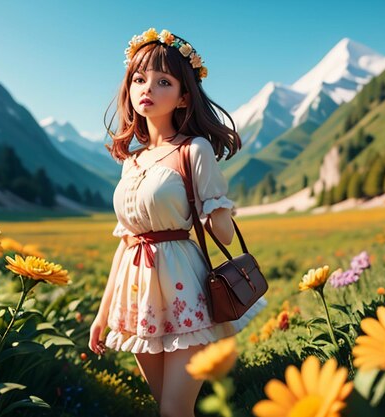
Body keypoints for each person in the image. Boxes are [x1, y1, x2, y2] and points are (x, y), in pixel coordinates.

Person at [89, 28, 267, 417]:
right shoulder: (130, 161)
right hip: (136, 297)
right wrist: (103, 315)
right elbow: (126, 242)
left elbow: (221, 232)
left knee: (174, 410)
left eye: (162, 81)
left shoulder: (194, 149)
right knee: (165, 407)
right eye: (139, 79)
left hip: (185, 288)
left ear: (184, 96)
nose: (146, 88)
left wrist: (215, 204)